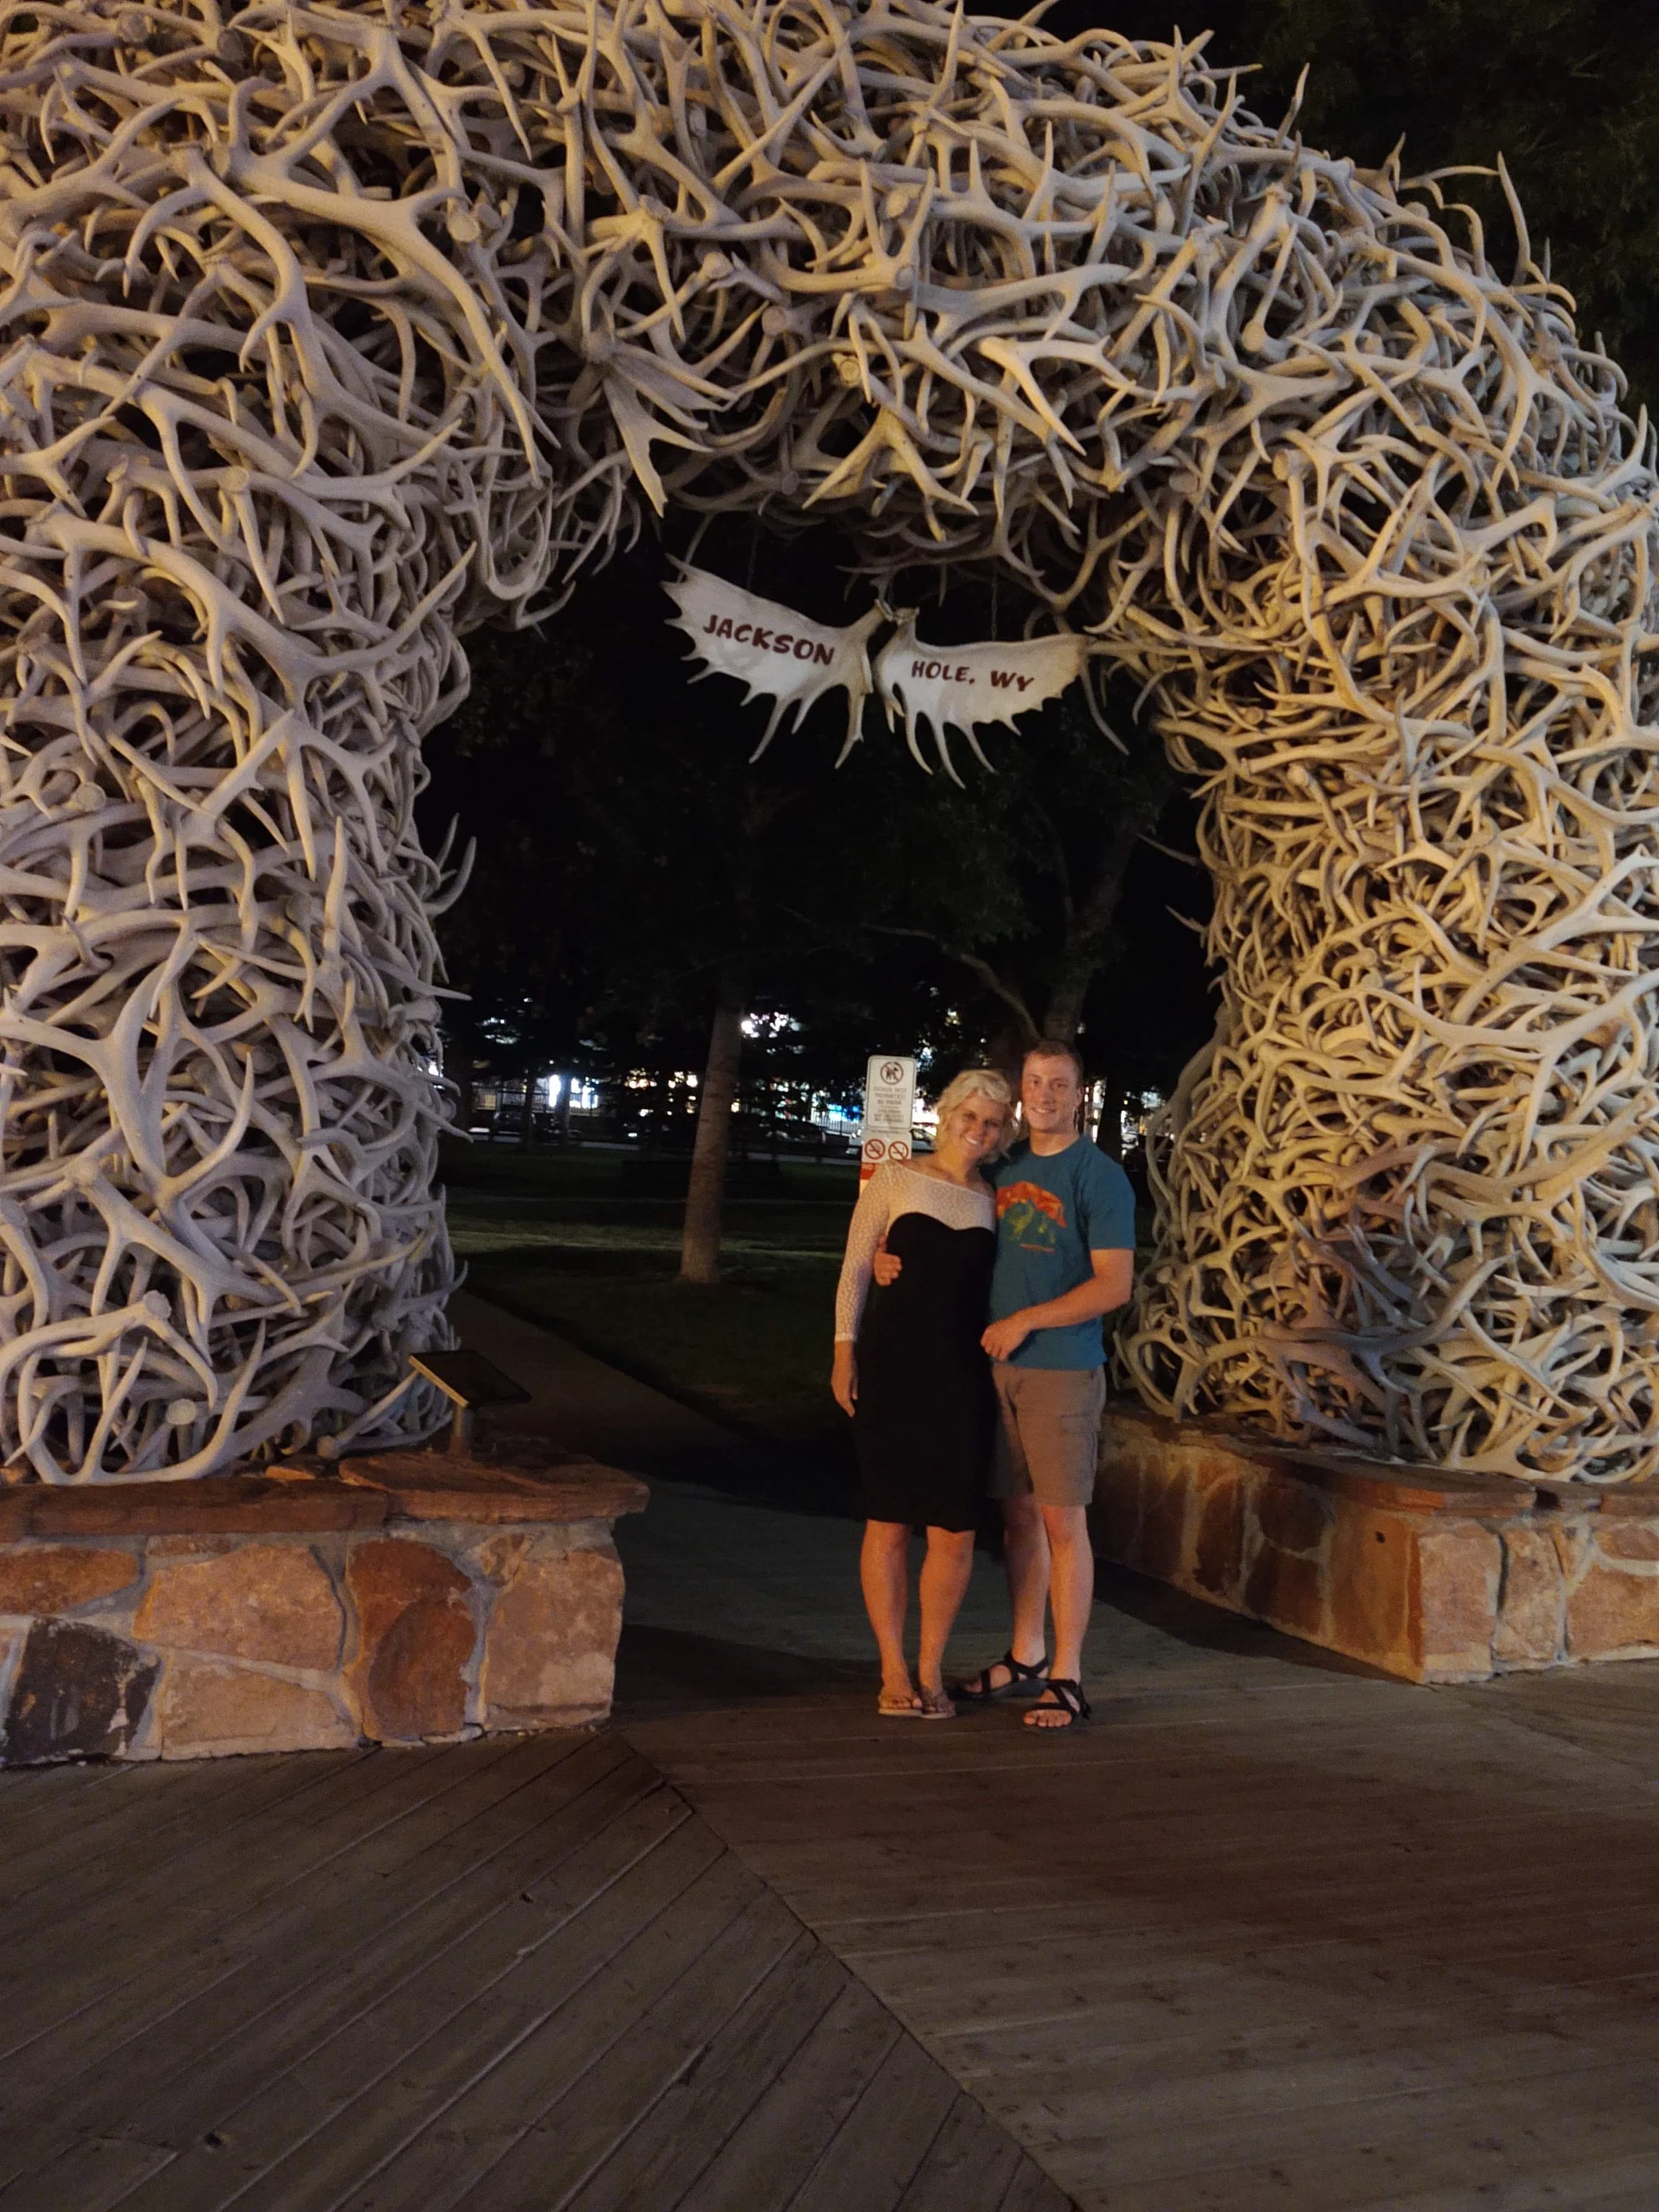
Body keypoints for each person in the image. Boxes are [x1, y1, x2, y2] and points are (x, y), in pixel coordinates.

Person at [875, 1041, 1135, 1731]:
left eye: (1059, 1083)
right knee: (1019, 1519)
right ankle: (1026, 1655)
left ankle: (1067, 1677)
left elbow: (1114, 1284)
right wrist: (883, 1251)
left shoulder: (1099, 1177)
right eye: (1035, 1082)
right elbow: (939, 1209)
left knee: (1062, 1524)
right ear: (1022, 1091)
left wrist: (1026, 1320)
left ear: (1079, 1094)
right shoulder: (1004, 1166)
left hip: (1061, 1370)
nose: (1045, 1094)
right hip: (993, 1371)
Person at [832, 1069, 1014, 1719]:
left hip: (962, 1375)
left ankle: (931, 1667)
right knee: (887, 1522)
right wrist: (843, 1351)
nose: (978, 1129)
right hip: (892, 1366)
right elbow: (856, 1268)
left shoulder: (995, 1201)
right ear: (946, 1114)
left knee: (954, 1530)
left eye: (991, 1122)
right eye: (969, 1115)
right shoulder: (897, 1178)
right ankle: (892, 1667)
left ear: (1001, 1134)